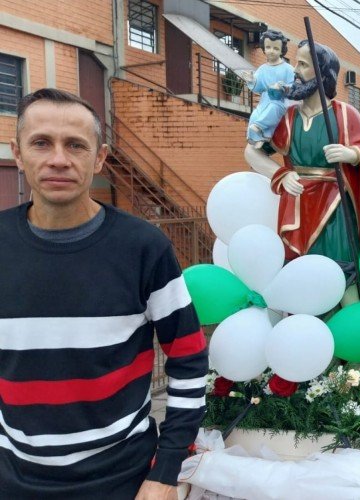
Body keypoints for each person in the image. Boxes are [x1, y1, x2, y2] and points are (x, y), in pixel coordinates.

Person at [2, 88, 208, 498]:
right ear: (18, 153)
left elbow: (188, 361)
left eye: (75, 145)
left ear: (99, 157)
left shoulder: (143, 247)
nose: (58, 158)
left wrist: (165, 472)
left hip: (123, 480)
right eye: (41, 143)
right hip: (13, 480)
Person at [244, 40, 360, 264]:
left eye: (303, 65)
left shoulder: (345, 114)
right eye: (296, 63)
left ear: (322, 73)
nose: (295, 70)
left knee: (340, 269)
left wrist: (352, 154)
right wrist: (282, 174)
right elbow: (252, 151)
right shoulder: (287, 117)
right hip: (297, 204)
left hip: (335, 206)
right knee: (299, 271)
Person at [245, 29, 294, 148]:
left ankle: (260, 128)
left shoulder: (288, 68)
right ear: (264, 48)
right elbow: (258, 87)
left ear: (282, 50)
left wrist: (282, 87)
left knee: (273, 108)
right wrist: (251, 80)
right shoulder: (262, 68)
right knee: (255, 115)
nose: (271, 51)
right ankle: (258, 138)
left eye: (276, 48)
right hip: (265, 100)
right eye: (268, 47)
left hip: (279, 101)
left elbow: (293, 86)